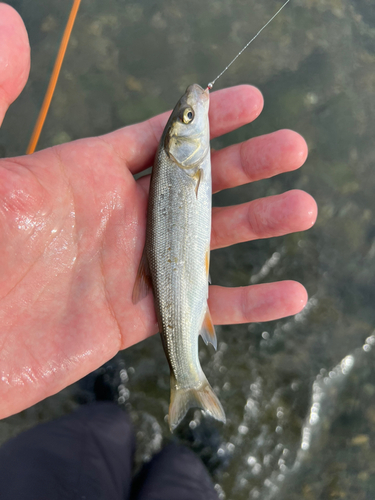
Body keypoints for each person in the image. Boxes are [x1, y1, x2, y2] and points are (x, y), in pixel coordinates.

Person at [0, 3, 317, 498]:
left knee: (92, 441)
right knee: (180, 481)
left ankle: (109, 410)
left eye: (187, 115)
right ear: (179, 141)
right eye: (189, 117)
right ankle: (185, 446)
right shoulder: (183, 159)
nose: (194, 112)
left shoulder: (183, 160)